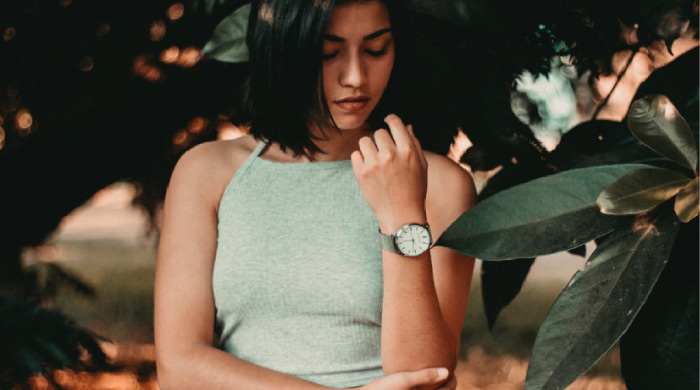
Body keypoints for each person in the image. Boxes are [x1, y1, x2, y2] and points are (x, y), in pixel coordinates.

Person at [153, 0, 477, 389]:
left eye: (376, 49)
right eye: (328, 53)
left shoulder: (440, 184)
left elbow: (426, 375)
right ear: (283, 50)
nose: (356, 76)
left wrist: (402, 215)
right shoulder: (207, 172)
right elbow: (179, 367)